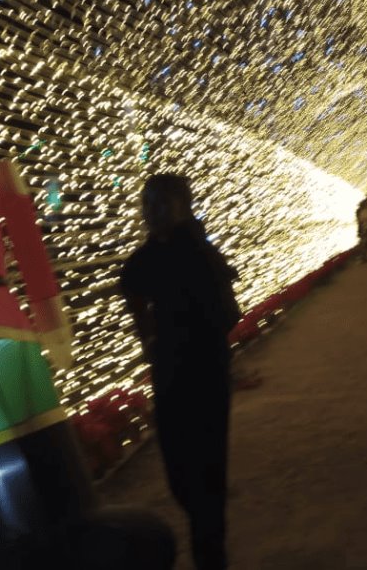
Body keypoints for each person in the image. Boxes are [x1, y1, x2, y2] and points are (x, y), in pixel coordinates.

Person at [120, 174, 242, 569]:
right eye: (148, 203)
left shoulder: (200, 254)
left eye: (160, 203)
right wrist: (152, 341)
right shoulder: (149, 257)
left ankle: (211, 553)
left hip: (204, 370)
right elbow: (134, 294)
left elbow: (228, 313)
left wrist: (189, 330)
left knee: (205, 463)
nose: (152, 212)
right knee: (179, 467)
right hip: (172, 370)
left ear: (182, 205)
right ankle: (207, 534)